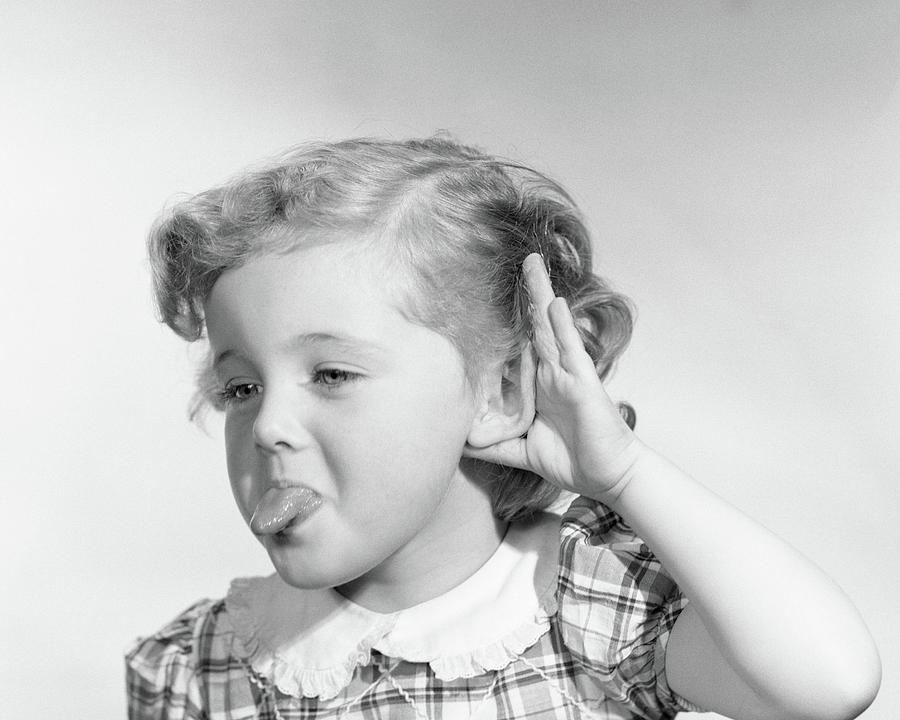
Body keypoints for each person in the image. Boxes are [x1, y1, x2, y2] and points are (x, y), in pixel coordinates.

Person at [127, 137, 880, 720]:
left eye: (331, 375)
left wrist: (621, 475)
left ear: (500, 393)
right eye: (241, 387)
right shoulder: (201, 664)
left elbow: (830, 684)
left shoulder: (587, 609)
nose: (268, 426)